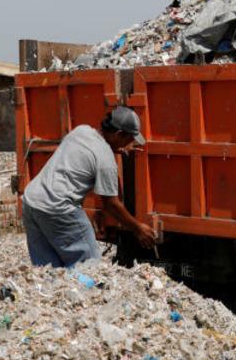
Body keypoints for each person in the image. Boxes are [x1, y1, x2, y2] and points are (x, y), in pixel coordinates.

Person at [21, 105, 156, 268]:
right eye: (129, 139)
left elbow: (85, 153)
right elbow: (111, 205)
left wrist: (113, 149)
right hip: (59, 208)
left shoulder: (81, 130)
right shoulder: (106, 161)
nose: (130, 144)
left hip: (31, 202)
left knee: (48, 270)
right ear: (119, 134)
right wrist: (138, 228)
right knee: (89, 267)